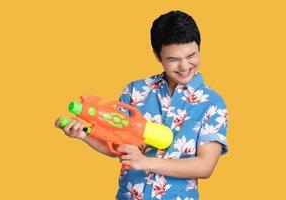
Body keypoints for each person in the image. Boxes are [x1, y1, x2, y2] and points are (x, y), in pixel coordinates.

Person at [55, 10, 228, 200]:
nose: (184, 65)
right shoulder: (135, 90)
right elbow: (116, 143)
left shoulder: (212, 102)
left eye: (191, 55)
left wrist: (145, 162)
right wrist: (85, 134)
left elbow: (204, 166)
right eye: (173, 59)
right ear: (157, 55)